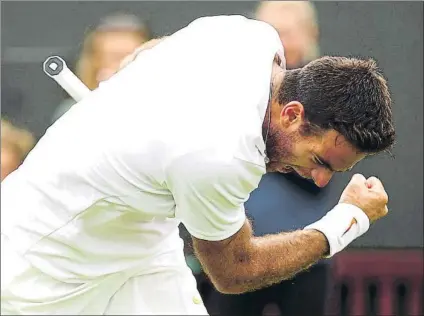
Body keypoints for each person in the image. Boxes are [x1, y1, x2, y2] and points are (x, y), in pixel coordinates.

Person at [1, 15, 395, 315]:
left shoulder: (250, 37)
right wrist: (346, 221)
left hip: (139, 244)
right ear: (292, 114)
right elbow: (234, 271)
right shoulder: (223, 155)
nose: (321, 177)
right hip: (40, 267)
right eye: (320, 160)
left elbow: (151, 50)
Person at [205, 3, 331, 315]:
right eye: (271, 33)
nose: (279, 44)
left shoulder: (328, 96)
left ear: (309, 34)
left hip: (305, 254)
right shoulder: (232, 91)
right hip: (236, 246)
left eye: (287, 33)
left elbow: (318, 180)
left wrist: (265, 144)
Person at [51, 12, 151, 123]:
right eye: (115, 58)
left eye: (134, 57)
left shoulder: (163, 107)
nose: (124, 65)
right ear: (95, 66)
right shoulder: (73, 113)